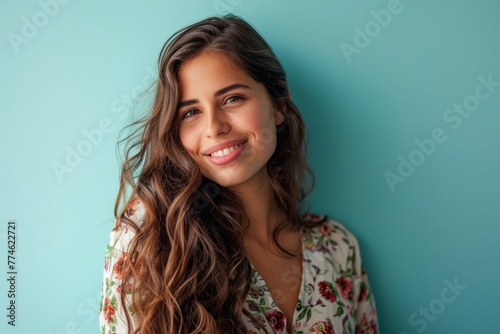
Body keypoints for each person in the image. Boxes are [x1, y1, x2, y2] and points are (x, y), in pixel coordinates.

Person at [99, 14, 378, 334]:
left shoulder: (338, 247)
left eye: (232, 99)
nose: (215, 127)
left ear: (278, 105)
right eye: (191, 112)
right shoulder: (150, 240)